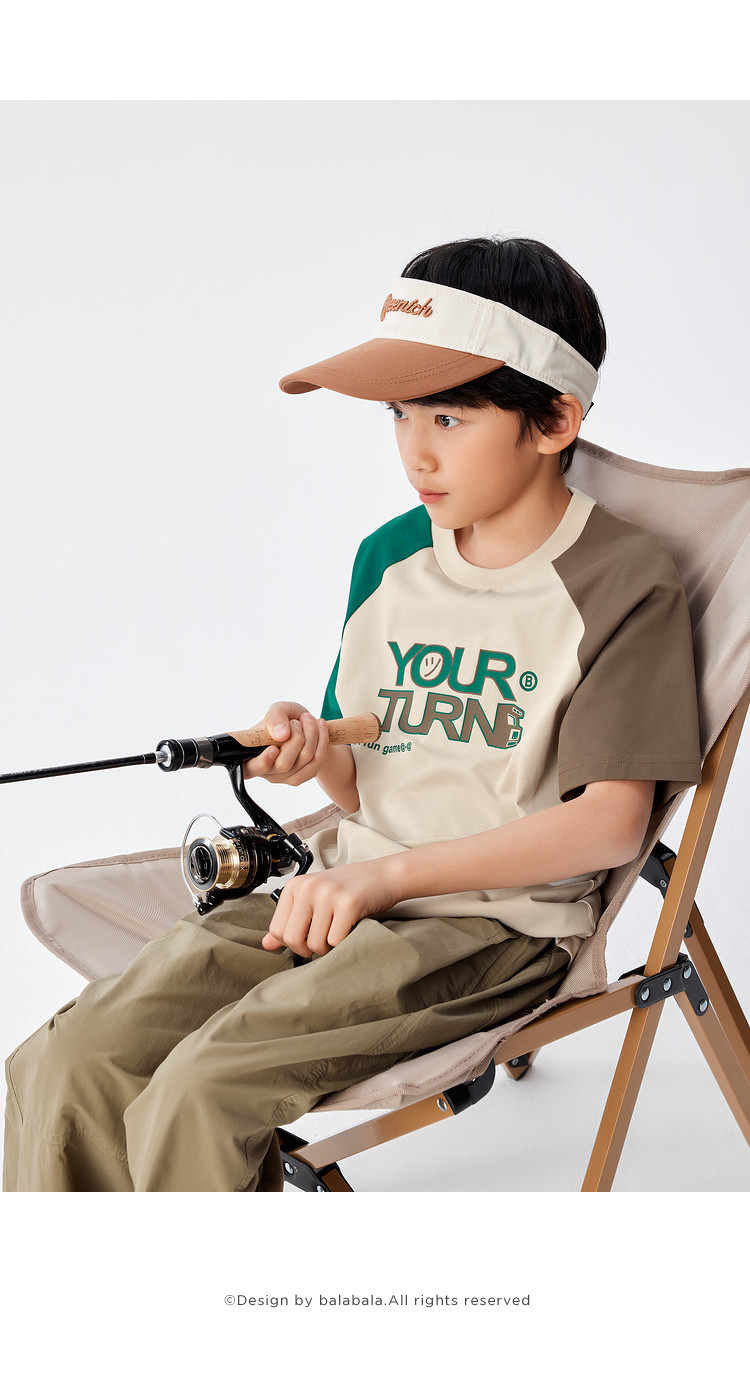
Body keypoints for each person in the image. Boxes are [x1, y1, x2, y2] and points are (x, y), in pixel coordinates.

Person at [3, 235, 702, 1192]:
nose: (416, 449)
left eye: (449, 416)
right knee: (62, 1063)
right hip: (334, 888)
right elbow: (367, 771)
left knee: (199, 1090)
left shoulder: (625, 584)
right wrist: (312, 749)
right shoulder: (390, 557)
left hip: (487, 928)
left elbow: (611, 823)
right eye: (399, 414)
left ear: (553, 420)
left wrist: (389, 878)